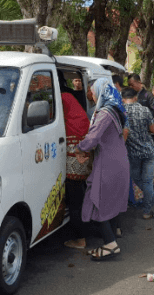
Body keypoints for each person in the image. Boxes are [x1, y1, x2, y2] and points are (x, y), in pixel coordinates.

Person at [74, 78, 129, 261]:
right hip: (118, 160)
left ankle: (111, 245)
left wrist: (79, 148)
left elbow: (93, 137)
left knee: (96, 200)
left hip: (108, 163)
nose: (92, 94)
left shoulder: (105, 113)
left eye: (93, 91)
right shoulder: (116, 110)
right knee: (110, 202)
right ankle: (110, 239)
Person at [121, 87, 154, 220]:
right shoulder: (145, 110)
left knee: (137, 180)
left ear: (123, 99)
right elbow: (153, 129)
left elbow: (124, 133)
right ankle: (148, 211)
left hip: (134, 153)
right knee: (148, 182)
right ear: (135, 97)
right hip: (149, 150)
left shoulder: (122, 112)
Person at [61, 91, 91, 250]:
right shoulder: (81, 121)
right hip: (83, 165)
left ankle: (80, 239)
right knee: (81, 198)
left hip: (74, 165)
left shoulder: (62, 99)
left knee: (74, 202)